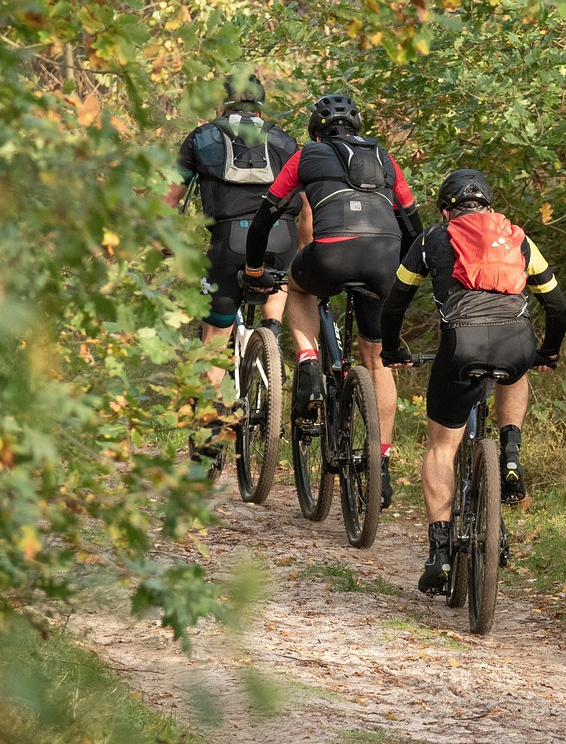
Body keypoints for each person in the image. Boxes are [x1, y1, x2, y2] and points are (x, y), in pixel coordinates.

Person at [380, 169, 566, 593]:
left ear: (446, 211)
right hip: (515, 341)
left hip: (460, 344)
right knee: (516, 367)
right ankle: (511, 453)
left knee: (441, 447)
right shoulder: (518, 237)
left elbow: (394, 304)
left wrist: (392, 349)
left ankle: (440, 554)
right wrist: (548, 352)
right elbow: (557, 306)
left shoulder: (431, 239)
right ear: (489, 205)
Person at [241, 92, 422, 508]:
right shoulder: (384, 157)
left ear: (316, 131)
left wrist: (253, 268)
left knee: (296, 285)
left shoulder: (306, 156)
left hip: (330, 254)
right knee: (378, 360)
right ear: (356, 126)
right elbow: (414, 227)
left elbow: (267, 215)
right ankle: (380, 464)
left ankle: (308, 361)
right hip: (385, 260)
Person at [165, 72, 307, 456]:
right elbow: (306, 203)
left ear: (221, 104)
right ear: (261, 105)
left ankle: (210, 437)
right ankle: (272, 332)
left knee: (214, 337)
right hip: (281, 236)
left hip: (229, 240)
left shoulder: (201, 137)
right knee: (279, 276)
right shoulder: (285, 140)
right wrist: (304, 246)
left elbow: (170, 199)